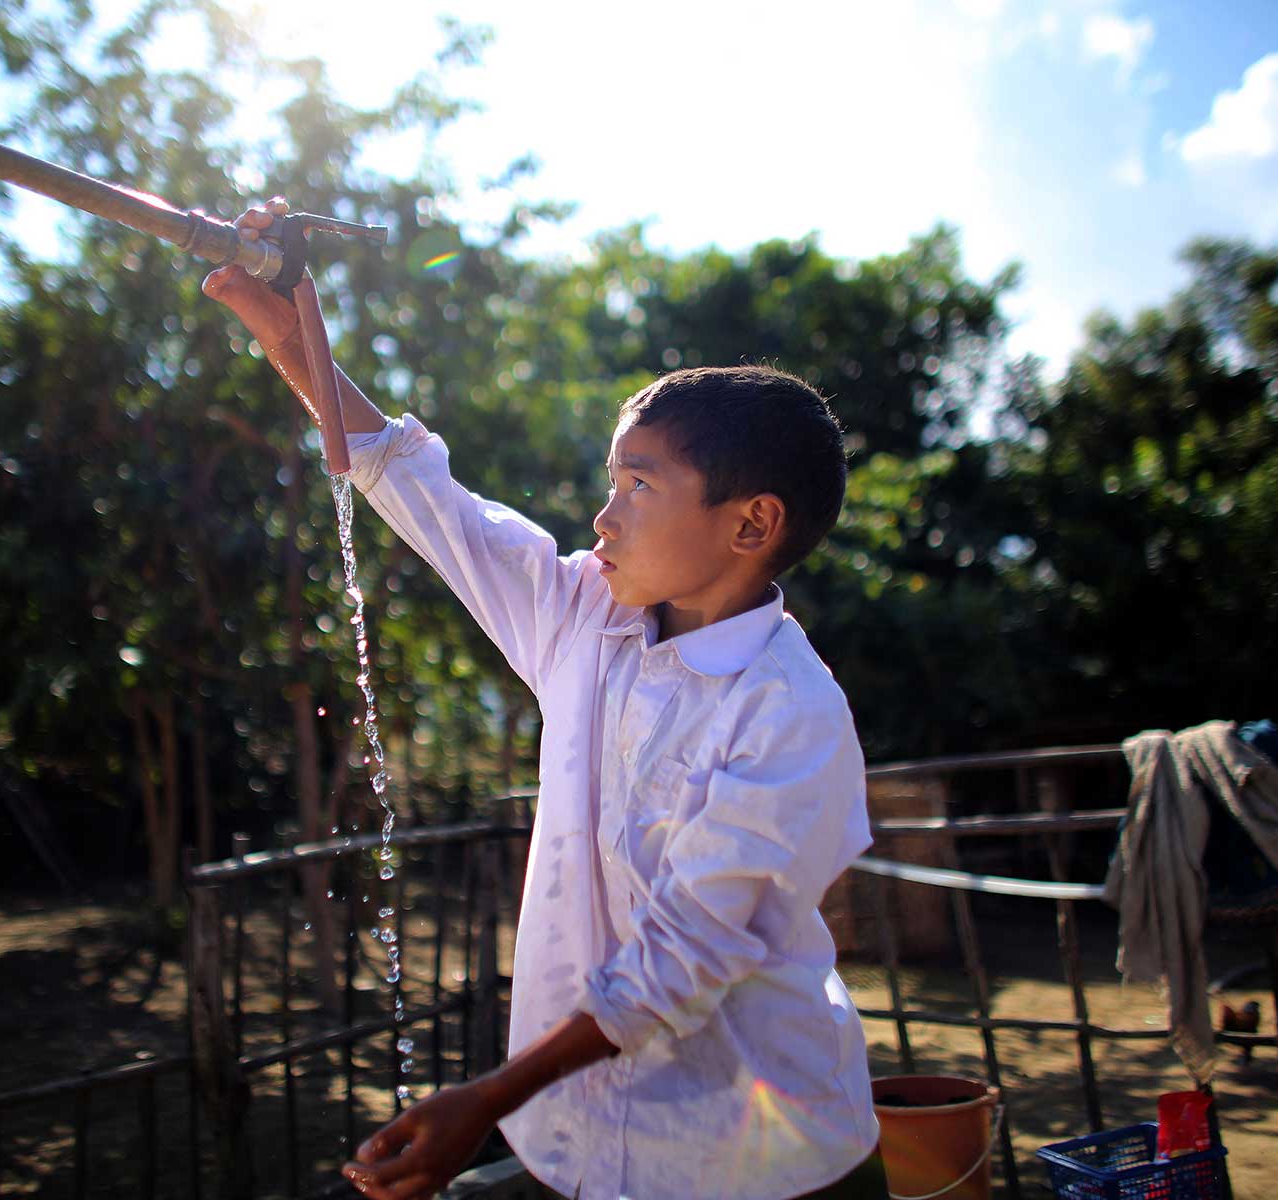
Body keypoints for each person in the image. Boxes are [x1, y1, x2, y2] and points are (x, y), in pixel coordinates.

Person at [205, 199, 885, 1200]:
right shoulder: (584, 618)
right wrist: (288, 328)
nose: (603, 516)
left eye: (640, 487)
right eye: (611, 482)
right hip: (574, 1148)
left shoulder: (790, 714)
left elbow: (682, 964)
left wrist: (486, 1098)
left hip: (760, 1166)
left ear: (752, 525)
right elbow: (413, 480)